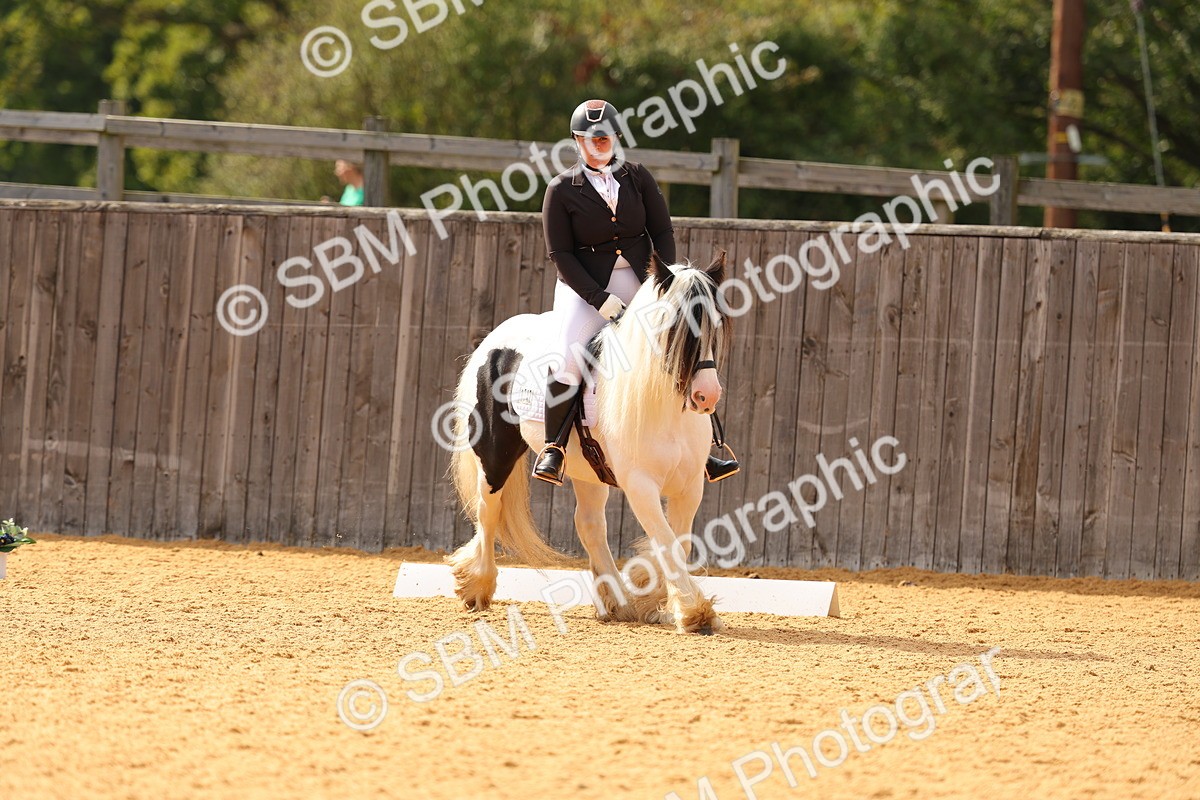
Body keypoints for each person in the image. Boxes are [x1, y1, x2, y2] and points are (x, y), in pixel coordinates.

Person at [532, 99, 738, 486]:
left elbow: (662, 231)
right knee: (569, 356)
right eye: (590, 140)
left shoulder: (638, 177)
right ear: (577, 141)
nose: (598, 145)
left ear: (616, 138)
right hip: (584, 288)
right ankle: (553, 448)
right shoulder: (560, 190)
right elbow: (559, 253)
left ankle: (708, 448)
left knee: (681, 344)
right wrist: (598, 298)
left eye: (605, 138)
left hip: (644, 282)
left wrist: (665, 284)